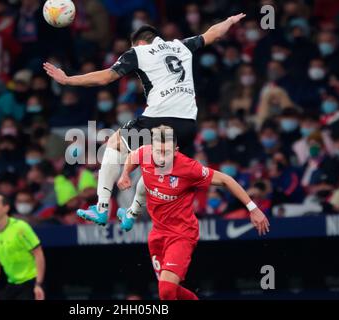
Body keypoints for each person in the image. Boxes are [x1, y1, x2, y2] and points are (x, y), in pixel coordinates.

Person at [44, 14, 247, 226]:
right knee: (153, 166)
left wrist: (68, 80)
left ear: (140, 42)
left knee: (113, 144)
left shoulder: (138, 52)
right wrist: (230, 21)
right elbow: (212, 34)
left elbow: (106, 77)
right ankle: (131, 215)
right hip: (187, 124)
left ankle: (102, 208)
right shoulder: (181, 46)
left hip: (158, 117)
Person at [116, 126, 269, 299]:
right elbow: (132, 156)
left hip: (181, 233)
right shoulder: (145, 153)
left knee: (166, 291)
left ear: (176, 151)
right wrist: (125, 174)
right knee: (168, 291)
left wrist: (253, 209)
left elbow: (226, 179)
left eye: (166, 152)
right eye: (158, 151)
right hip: (157, 234)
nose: (161, 157)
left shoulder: (188, 168)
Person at [0, 192, 46, 300]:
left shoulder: (20, 227)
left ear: (5, 208)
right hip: (12, 283)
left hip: (31, 281)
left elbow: (38, 253)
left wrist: (38, 284)